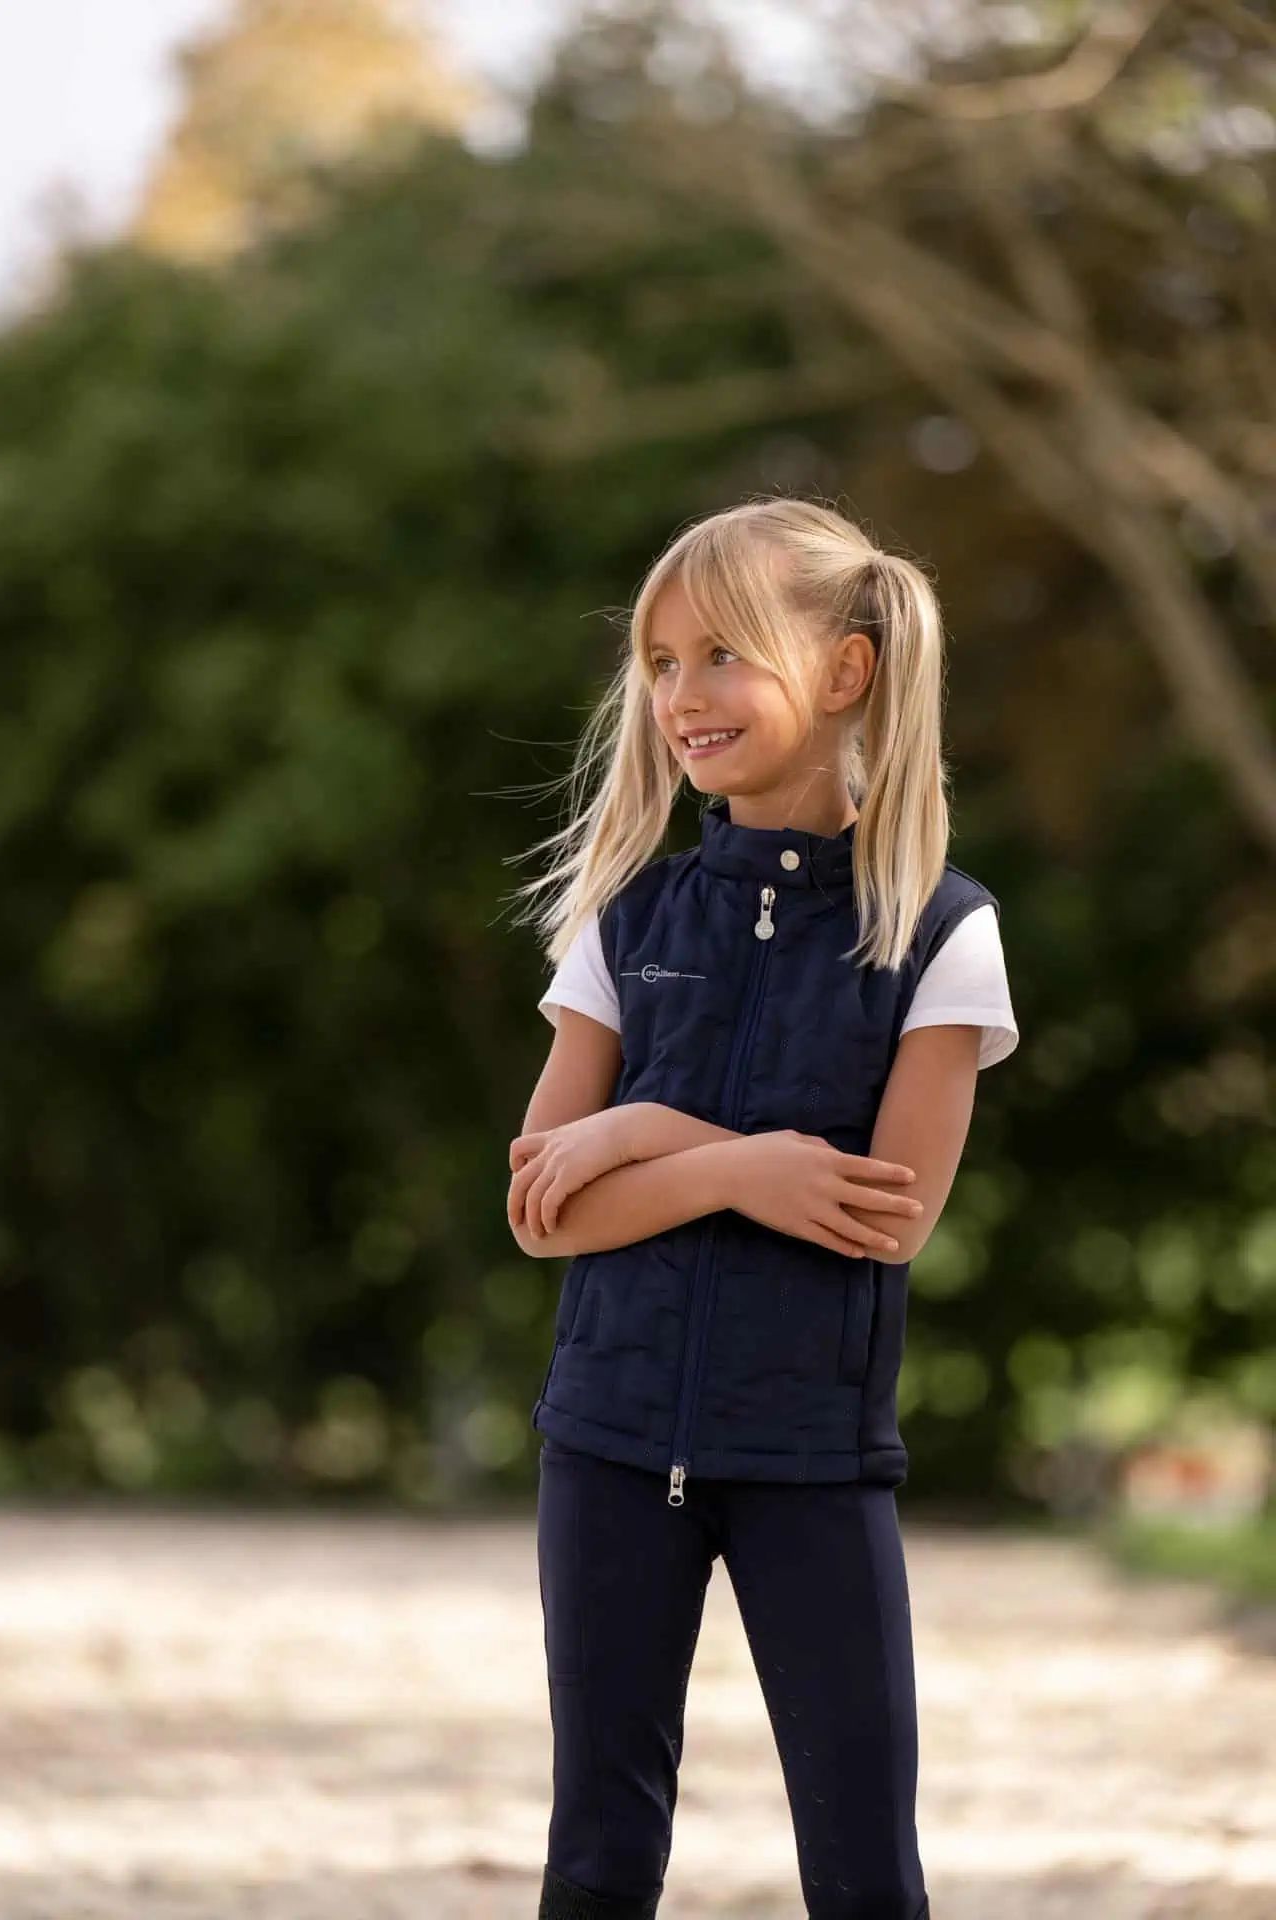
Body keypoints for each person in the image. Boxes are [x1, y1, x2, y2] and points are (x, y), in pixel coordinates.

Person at [504, 497, 1018, 1920]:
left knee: (865, 1873)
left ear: (846, 672)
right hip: (607, 1446)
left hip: (812, 1459)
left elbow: (886, 1217)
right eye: (662, 663)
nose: (684, 694)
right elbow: (543, 1206)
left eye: (724, 653)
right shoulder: (625, 918)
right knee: (597, 1858)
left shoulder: (940, 931)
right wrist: (720, 1158)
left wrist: (639, 1148)